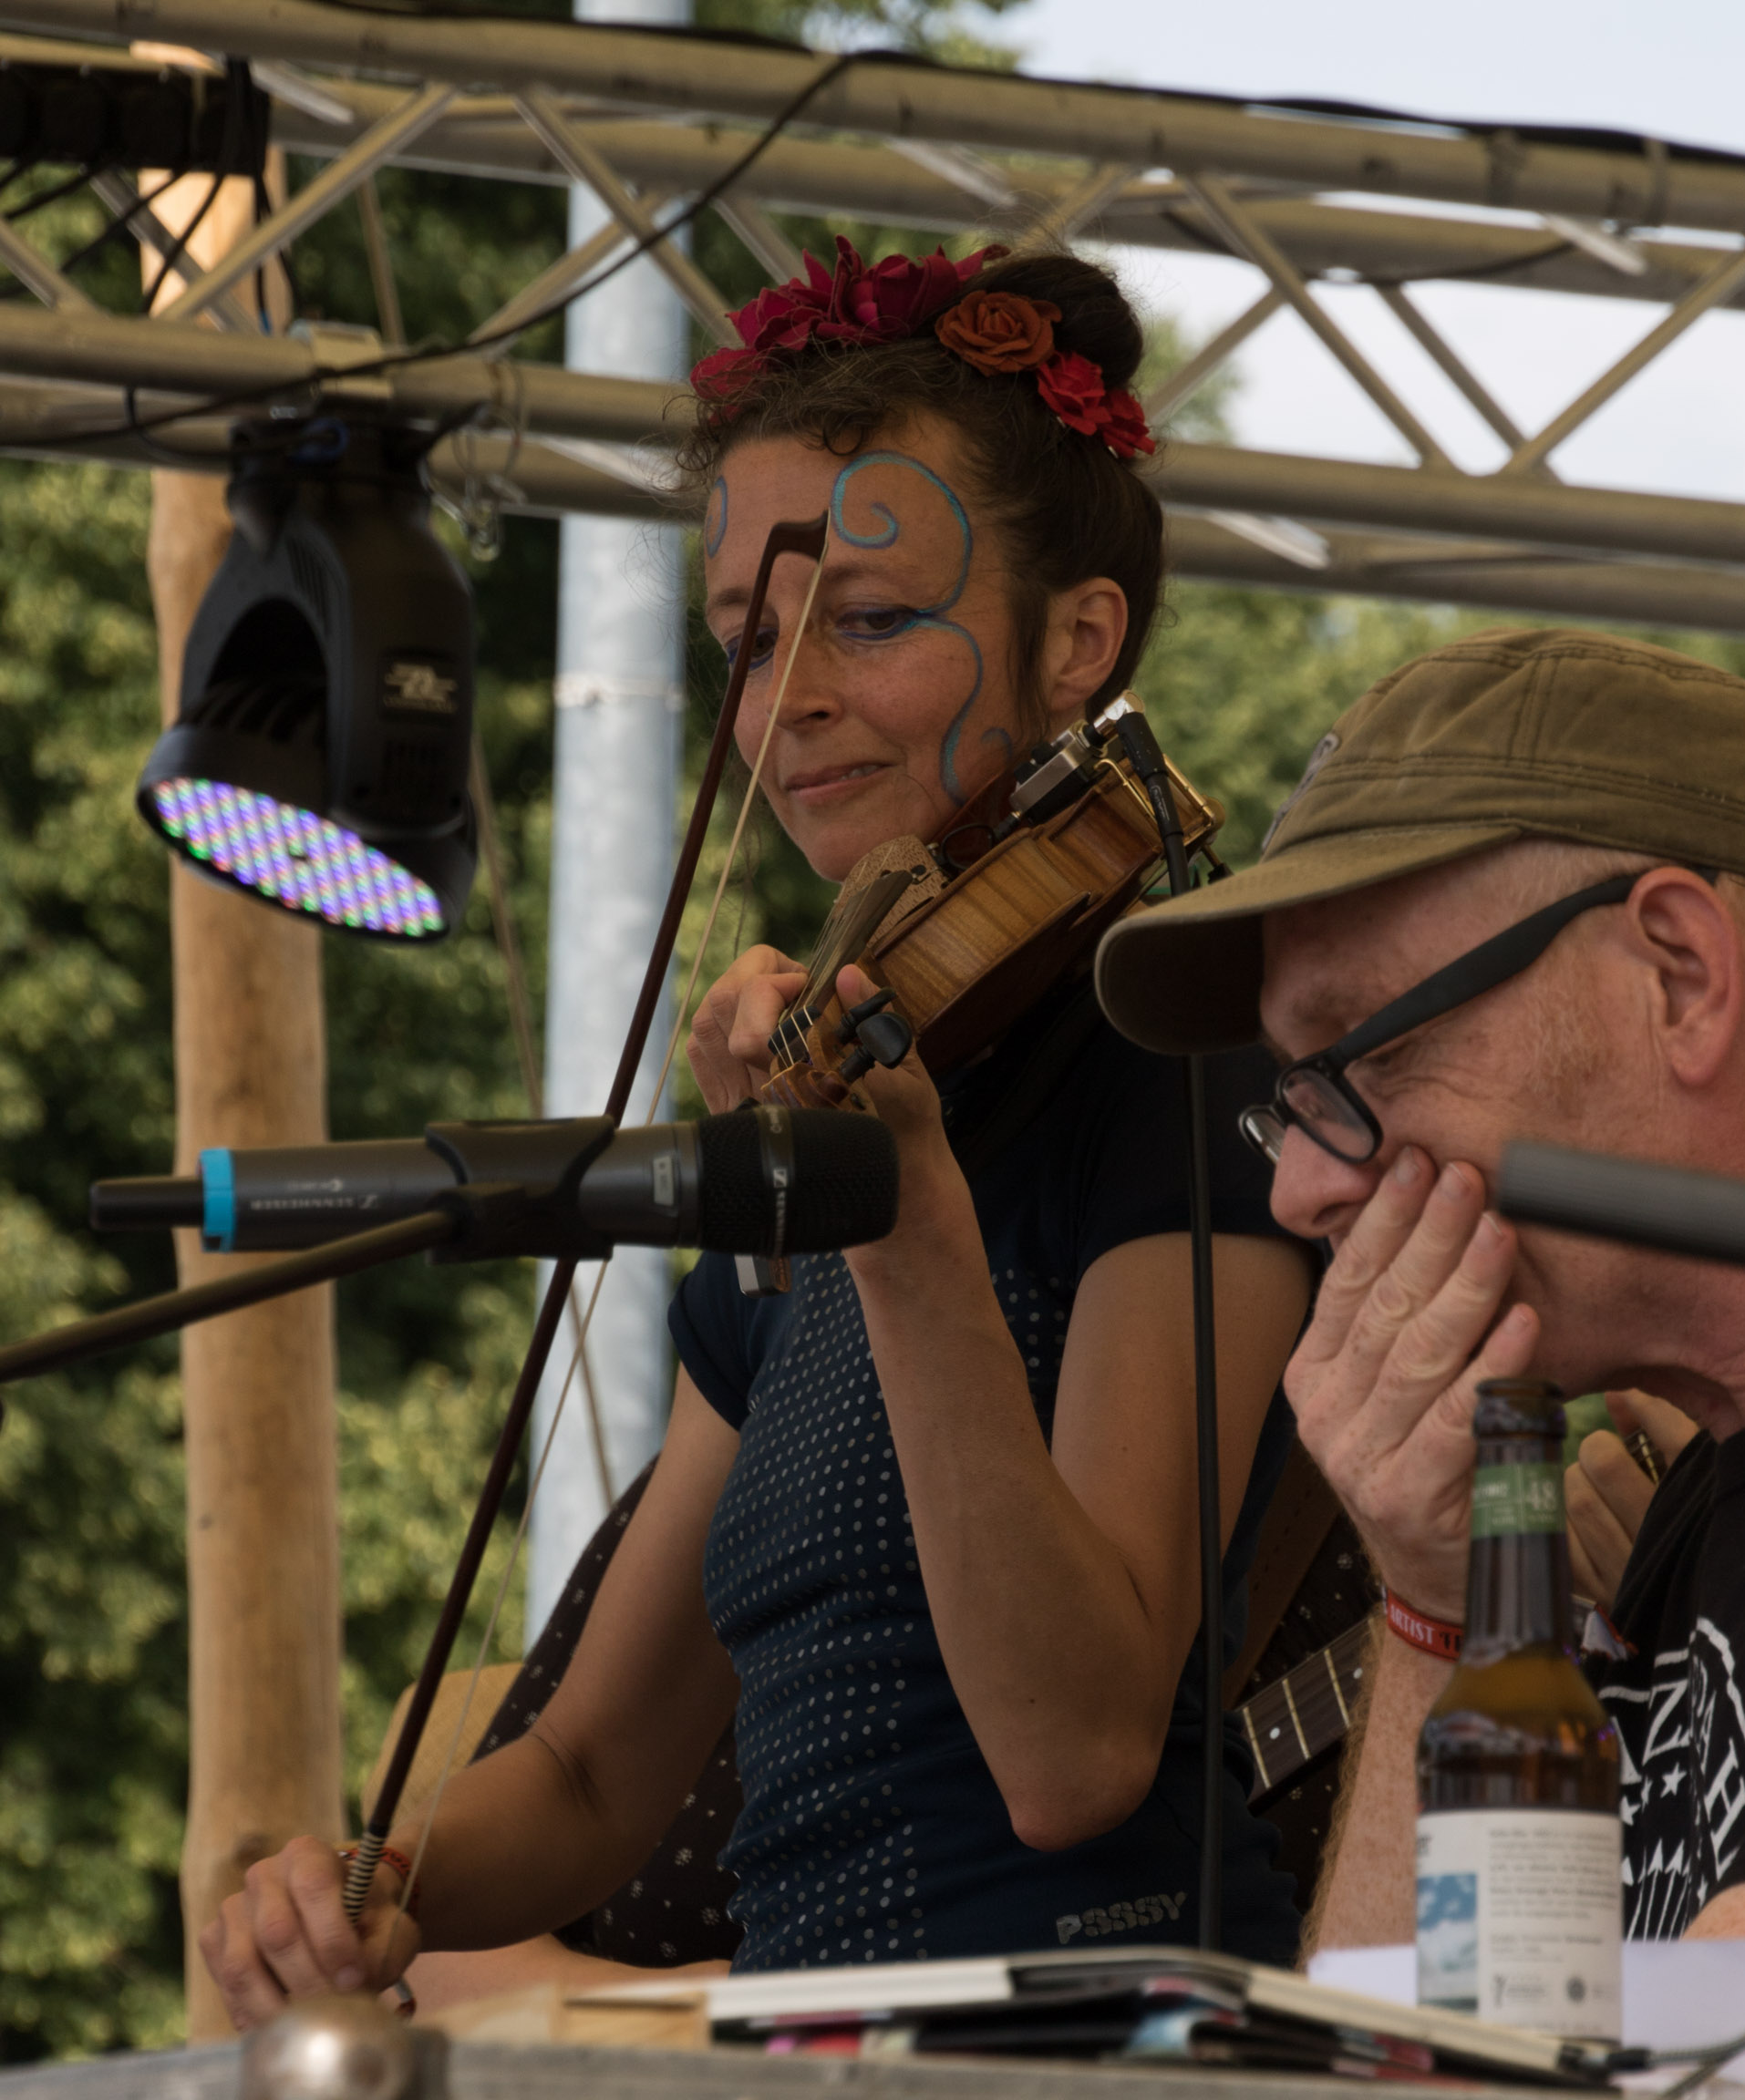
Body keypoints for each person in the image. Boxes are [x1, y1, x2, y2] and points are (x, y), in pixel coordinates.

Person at [201, 242, 1316, 2026]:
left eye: (865, 621)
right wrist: (375, 1884)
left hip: (1098, 2044)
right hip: (802, 2051)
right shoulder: (828, 1115)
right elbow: (590, 1776)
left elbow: (1078, 1753)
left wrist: (910, 1228)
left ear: (1078, 643)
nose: (782, 702)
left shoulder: (1178, 1063)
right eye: (745, 640)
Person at [1091, 625, 1745, 1949]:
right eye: (1289, 1103)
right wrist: (1439, 1608)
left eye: (1358, 1061)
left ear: (1680, 975)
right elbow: (1428, 2034)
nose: (1301, 1191)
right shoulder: (1714, 1480)